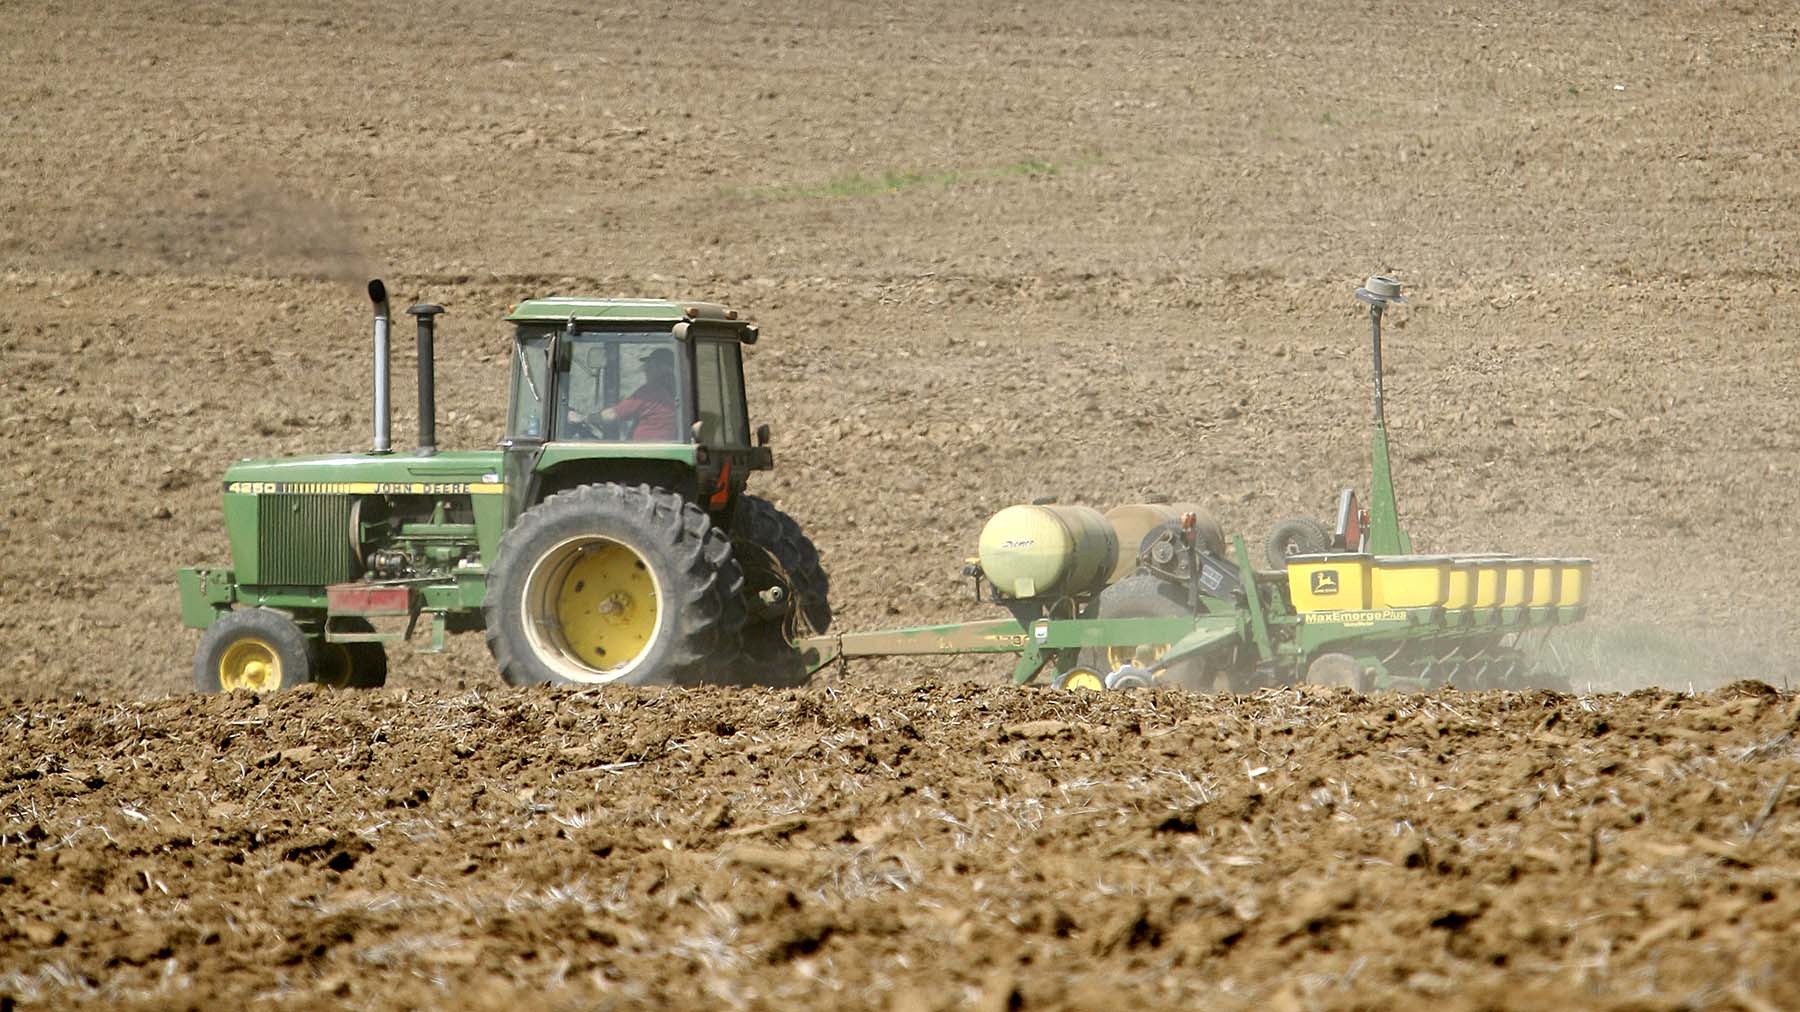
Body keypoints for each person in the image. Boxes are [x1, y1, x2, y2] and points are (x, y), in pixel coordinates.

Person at [599, 347, 679, 441]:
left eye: (650, 366)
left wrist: (585, 418)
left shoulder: (651, 391)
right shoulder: (675, 391)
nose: (646, 371)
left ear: (663, 369)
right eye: (646, 367)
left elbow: (612, 415)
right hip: (661, 446)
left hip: (645, 450)